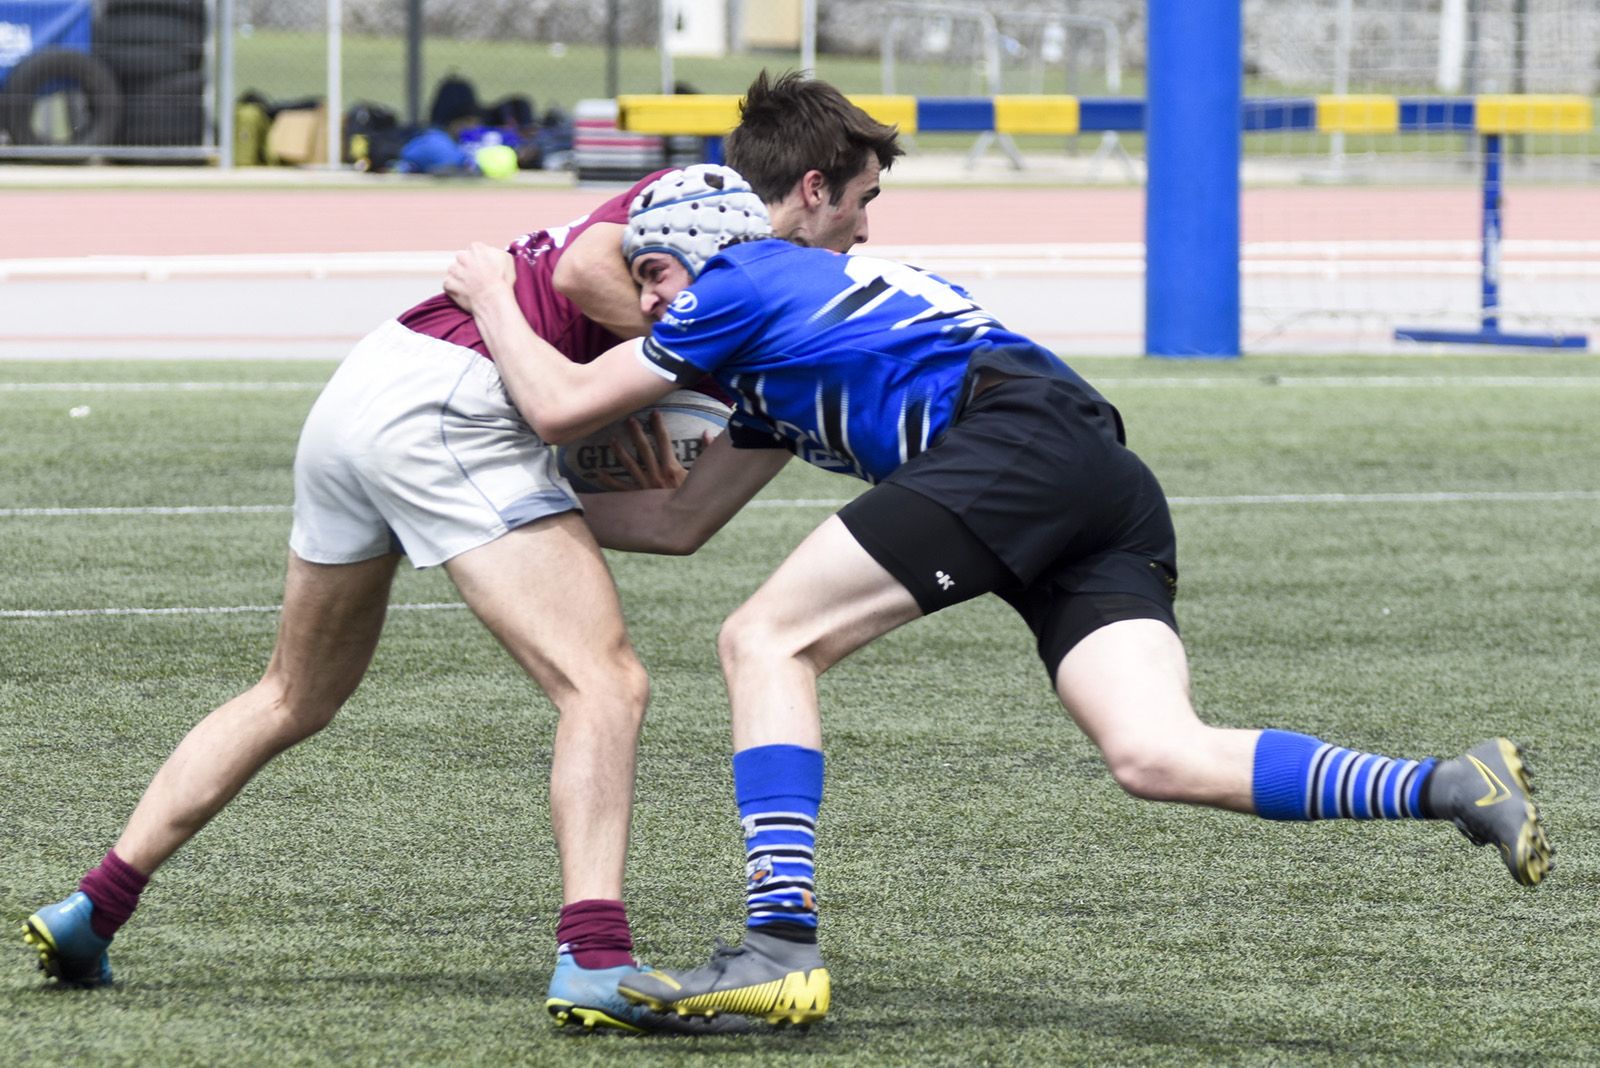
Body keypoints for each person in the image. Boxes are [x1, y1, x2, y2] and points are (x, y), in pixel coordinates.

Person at [438, 164, 1555, 1028]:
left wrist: (496, 298)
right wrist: (497, 527)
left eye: (649, 278)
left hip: (1006, 441)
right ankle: (1448, 784)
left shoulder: (732, 280)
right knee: (1154, 753)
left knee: (764, 640)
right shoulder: (790, 327)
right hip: (1095, 476)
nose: (647, 304)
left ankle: (779, 941)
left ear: (691, 255)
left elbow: (560, 406)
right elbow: (675, 522)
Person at [20, 77, 901, 1036]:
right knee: (604, 684)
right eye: (863, 202)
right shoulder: (704, 209)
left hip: (375, 396)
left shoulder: (734, 278)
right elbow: (579, 278)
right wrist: (662, 375)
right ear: (812, 188)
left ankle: (93, 907)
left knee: (292, 694)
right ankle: (595, 959)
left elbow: (674, 525)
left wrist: (633, 442)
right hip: (452, 402)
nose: (865, 230)